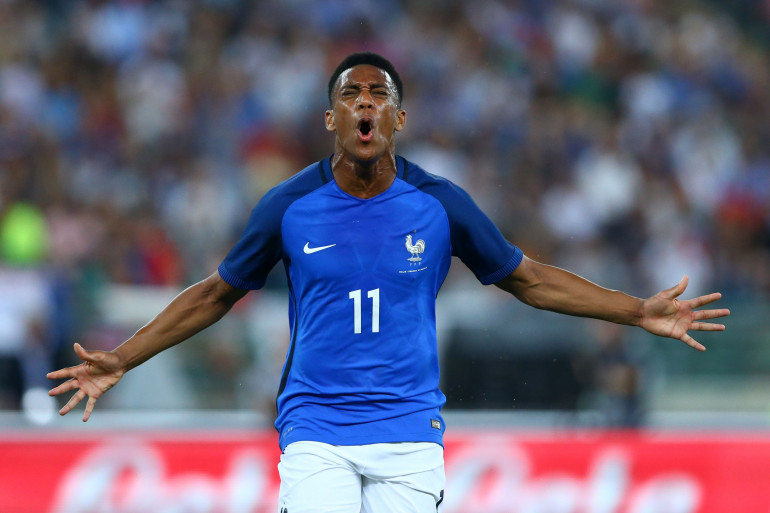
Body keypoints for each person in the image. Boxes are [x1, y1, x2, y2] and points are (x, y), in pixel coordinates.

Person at [47, 52, 730, 513]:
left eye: (380, 96)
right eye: (351, 96)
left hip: (408, 430)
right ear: (331, 119)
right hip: (315, 427)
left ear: (398, 119)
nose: (365, 105)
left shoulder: (440, 204)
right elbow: (214, 293)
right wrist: (123, 357)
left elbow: (529, 279)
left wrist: (636, 310)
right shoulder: (289, 206)